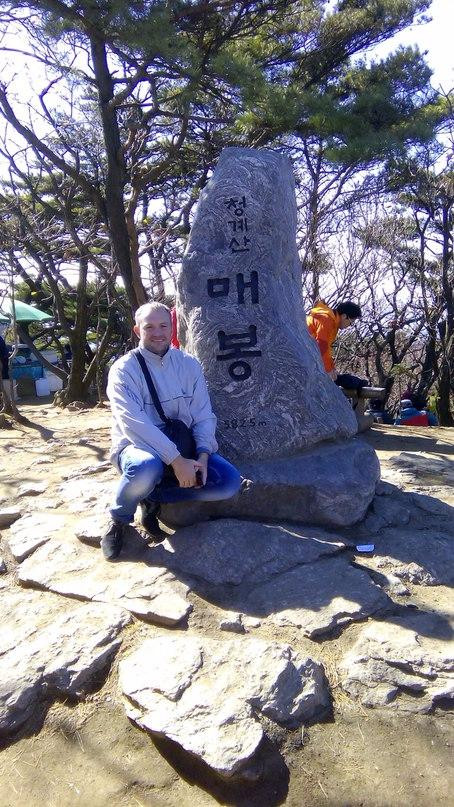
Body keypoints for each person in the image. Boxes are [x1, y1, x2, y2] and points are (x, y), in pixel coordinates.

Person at [102, 302, 241, 560]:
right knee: (146, 467)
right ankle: (119, 518)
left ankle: (151, 497)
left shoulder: (188, 364)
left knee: (228, 482)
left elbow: (203, 414)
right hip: (138, 446)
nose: (158, 333)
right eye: (149, 327)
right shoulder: (124, 369)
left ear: (172, 327)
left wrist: (202, 455)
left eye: (163, 326)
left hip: (182, 445)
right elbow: (134, 423)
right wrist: (177, 461)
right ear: (137, 330)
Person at [306, 299, 363, 383]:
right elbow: (321, 347)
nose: (349, 326)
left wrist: (332, 369)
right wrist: (329, 370)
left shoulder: (332, 322)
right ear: (344, 316)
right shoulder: (327, 320)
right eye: (351, 322)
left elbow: (326, 350)